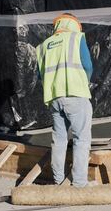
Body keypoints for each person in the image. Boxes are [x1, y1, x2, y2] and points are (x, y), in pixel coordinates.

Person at [36, 13, 94, 187]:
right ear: (74, 24)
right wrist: (85, 81)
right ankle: (79, 183)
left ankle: (58, 180)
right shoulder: (76, 38)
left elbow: (41, 75)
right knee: (81, 139)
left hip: (54, 98)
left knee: (59, 141)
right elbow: (88, 65)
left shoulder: (44, 45)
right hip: (76, 94)